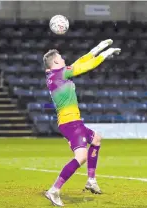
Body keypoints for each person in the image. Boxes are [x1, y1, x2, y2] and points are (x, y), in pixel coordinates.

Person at [43, 39, 121, 206]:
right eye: (61, 57)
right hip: (70, 123)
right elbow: (85, 66)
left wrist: (98, 48)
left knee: (96, 139)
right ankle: (54, 190)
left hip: (72, 121)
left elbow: (79, 62)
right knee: (81, 156)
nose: (64, 59)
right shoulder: (60, 73)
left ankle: (91, 180)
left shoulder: (54, 75)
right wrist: (105, 55)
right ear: (56, 61)